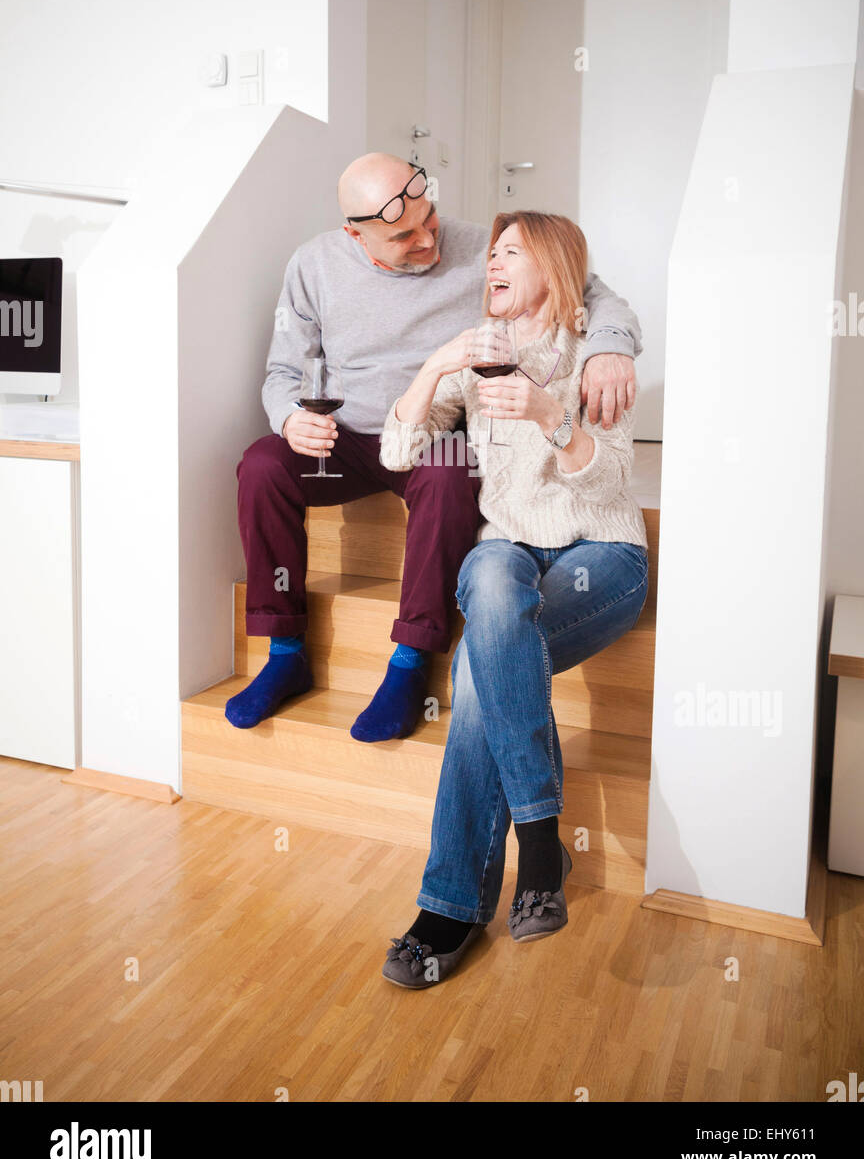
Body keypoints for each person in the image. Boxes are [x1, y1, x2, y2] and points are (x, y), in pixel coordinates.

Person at [227, 154, 642, 744]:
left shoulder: (484, 248)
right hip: (347, 435)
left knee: (450, 471)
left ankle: (410, 662)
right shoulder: (312, 266)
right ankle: (285, 649)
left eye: (431, 220)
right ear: (356, 233)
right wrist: (289, 418)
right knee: (262, 463)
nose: (429, 241)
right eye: (404, 236)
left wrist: (609, 347)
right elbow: (281, 373)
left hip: (433, 428)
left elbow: (590, 290)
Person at [378, 210, 648, 986]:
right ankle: (538, 841)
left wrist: (546, 411)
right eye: (490, 253)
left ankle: (452, 907)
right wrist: (436, 365)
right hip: (509, 549)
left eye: (511, 252)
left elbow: (607, 482)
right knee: (491, 578)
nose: (491, 263)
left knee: (473, 673)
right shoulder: (478, 355)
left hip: (602, 553)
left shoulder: (595, 359)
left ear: (555, 268)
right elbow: (399, 450)